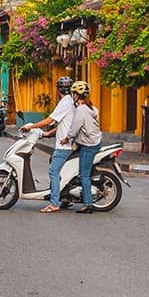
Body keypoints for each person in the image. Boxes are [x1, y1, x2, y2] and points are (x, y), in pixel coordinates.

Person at [37, 75, 76, 213]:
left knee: (53, 172)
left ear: (58, 90)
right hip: (66, 144)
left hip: (63, 146)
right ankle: (64, 198)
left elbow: (49, 120)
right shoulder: (70, 101)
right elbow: (63, 124)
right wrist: (48, 134)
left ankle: (54, 203)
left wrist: (31, 126)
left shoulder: (65, 102)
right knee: (61, 173)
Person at [69, 79, 103, 213]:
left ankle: (88, 204)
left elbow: (74, 128)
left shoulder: (82, 110)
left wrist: (67, 138)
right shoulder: (92, 108)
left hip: (88, 146)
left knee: (84, 175)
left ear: (77, 95)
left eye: (73, 93)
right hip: (94, 142)